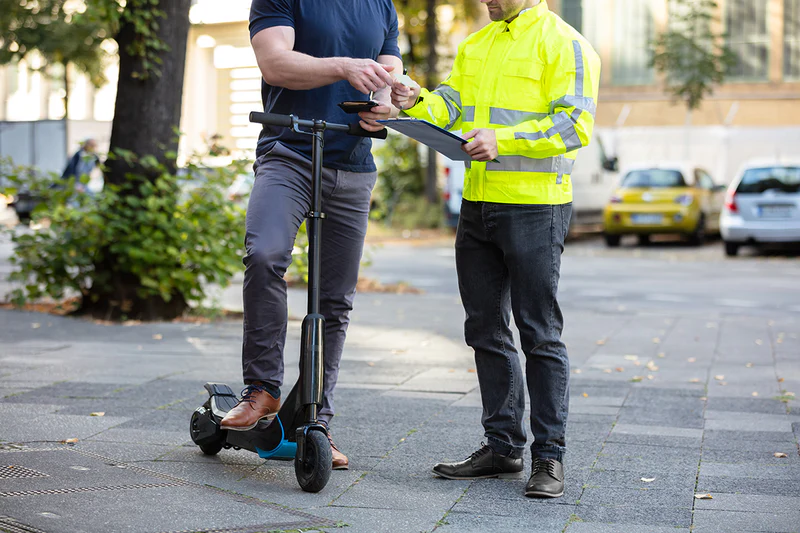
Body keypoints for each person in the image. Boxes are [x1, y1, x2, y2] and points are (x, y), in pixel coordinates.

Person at [392, 0, 600, 498]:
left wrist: (503, 140)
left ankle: (549, 458)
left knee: (539, 332)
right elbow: (453, 106)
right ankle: (503, 446)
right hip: (477, 204)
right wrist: (417, 99)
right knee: (484, 327)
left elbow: (575, 125)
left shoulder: (566, 44)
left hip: (535, 208)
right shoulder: (476, 43)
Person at [219, 0, 405, 471]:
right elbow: (274, 62)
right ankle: (262, 389)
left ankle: (316, 419)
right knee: (265, 254)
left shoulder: (381, 5)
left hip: (354, 165)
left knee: (335, 299)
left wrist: (388, 104)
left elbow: (389, 74)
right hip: (290, 152)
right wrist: (343, 67)